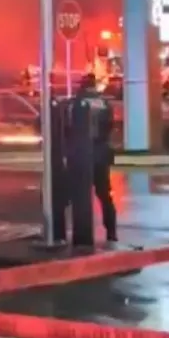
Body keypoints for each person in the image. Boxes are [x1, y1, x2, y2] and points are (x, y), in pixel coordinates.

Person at [71, 73, 118, 243]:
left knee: (80, 195)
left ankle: (82, 236)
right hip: (101, 153)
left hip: (82, 155)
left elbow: (70, 127)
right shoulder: (104, 103)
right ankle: (111, 232)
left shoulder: (77, 102)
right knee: (105, 195)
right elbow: (110, 125)